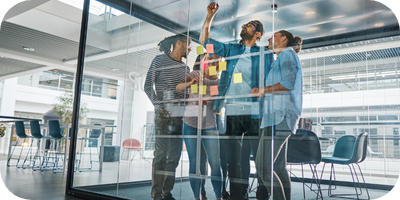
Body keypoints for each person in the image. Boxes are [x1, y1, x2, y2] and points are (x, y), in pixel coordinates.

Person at [199, 3, 274, 200]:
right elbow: (205, 42)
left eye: (249, 25)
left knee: (260, 159)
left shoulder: (265, 54)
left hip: (255, 112)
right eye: (245, 24)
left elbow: (273, 82)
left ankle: (263, 194)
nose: (244, 26)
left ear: (258, 34)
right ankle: (238, 196)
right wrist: (209, 17)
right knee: (233, 160)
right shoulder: (231, 49)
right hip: (232, 112)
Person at [251, 30, 303, 200]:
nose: (269, 39)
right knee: (278, 167)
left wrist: (263, 90)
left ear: (283, 38)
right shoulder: (280, 58)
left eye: (273, 36)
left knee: (264, 167)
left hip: (278, 118)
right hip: (278, 118)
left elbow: (288, 84)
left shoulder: (287, 54)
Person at [144, 33, 192, 200]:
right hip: (164, 115)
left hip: (180, 116)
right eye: (189, 44)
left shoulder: (186, 68)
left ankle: (167, 192)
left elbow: (186, 94)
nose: (191, 48)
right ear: (179, 43)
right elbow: (148, 85)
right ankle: (156, 194)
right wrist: (158, 106)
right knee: (161, 155)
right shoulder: (159, 60)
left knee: (174, 156)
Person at [176, 53, 222, 200]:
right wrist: (190, 83)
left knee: (215, 162)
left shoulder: (218, 82)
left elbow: (217, 104)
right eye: (207, 58)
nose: (209, 60)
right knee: (194, 162)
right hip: (190, 122)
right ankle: (198, 197)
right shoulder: (195, 74)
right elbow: (178, 87)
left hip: (209, 124)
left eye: (213, 59)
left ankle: (219, 196)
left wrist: (210, 102)